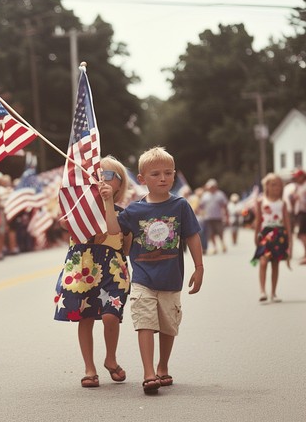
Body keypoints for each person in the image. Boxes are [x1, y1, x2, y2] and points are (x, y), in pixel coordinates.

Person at [100, 146, 204, 395]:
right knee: (145, 321)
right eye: (155, 174)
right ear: (142, 179)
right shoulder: (135, 211)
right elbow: (114, 230)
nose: (163, 178)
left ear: (174, 175)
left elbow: (192, 236)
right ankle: (148, 372)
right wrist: (107, 201)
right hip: (143, 278)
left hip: (171, 278)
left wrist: (199, 267)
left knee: (168, 326)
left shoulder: (180, 205)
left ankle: (162, 365)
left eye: (168, 173)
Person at [54, 156, 131, 388]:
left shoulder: (123, 213)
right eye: (95, 175)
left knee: (111, 315)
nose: (101, 180)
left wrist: (107, 203)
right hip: (83, 268)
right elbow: (64, 222)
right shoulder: (79, 212)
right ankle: (89, 367)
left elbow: (119, 237)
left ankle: (111, 358)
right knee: (85, 316)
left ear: (119, 184)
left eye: (108, 176)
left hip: (113, 270)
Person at [251, 173, 292, 302]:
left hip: (279, 234)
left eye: (279, 185)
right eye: (273, 185)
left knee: (275, 263)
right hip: (265, 233)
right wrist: (256, 236)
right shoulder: (261, 201)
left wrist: (289, 242)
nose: (276, 188)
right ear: (267, 186)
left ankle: (273, 292)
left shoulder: (282, 203)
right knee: (263, 261)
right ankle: (262, 291)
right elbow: (258, 221)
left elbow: (287, 224)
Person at [199, 178, 228, 254]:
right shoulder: (205, 195)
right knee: (211, 233)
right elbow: (201, 206)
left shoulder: (220, 194)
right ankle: (215, 247)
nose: (211, 188)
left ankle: (222, 244)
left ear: (215, 186)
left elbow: (225, 206)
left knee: (220, 232)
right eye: (210, 187)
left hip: (218, 217)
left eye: (212, 186)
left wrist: (226, 216)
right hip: (208, 217)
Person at [291, 170, 306, 264]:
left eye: (297, 177)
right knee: (301, 234)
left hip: (304, 212)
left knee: (302, 234)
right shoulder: (298, 187)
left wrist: (298, 197)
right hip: (299, 212)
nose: (296, 178)